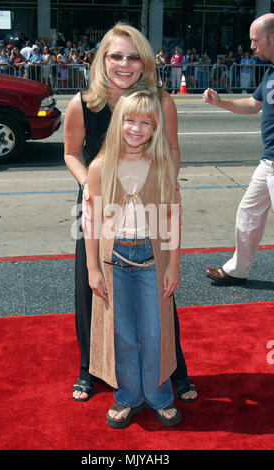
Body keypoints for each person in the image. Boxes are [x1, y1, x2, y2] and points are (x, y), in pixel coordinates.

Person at [64, 22, 197, 404]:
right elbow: (72, 152)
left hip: (148, 206)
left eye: (133, 56)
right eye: (116, 56)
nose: (124, 64)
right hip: (97, 206)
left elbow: (171, 148)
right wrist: (88, 185)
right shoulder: (83, 103)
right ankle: (88, 369)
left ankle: (175, 371)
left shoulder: (160, 101)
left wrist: (169, 185)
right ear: (102, 60)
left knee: (160, 289)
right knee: (92, 288)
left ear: (145, 63)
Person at [85, 88, 181, 428]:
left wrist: (173, 264)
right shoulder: (99, 166)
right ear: (117, 123)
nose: (136, 128)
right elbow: (90, 219)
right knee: (121, 331)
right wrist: (92, 267)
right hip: (114, 261)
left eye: (146, 122)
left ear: (155, 128)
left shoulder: (161, 166)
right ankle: (128, 395)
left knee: (155, 331)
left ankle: (158, 395)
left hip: (152, 260)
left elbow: (171, 216)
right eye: (129, 120)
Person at [203, 13, 274, 284]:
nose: (252, 47)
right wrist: (221, 102)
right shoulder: (270, 72)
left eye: (256, 41)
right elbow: (253, 105)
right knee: (248, 213)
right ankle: (237, 269)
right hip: (268, 161)